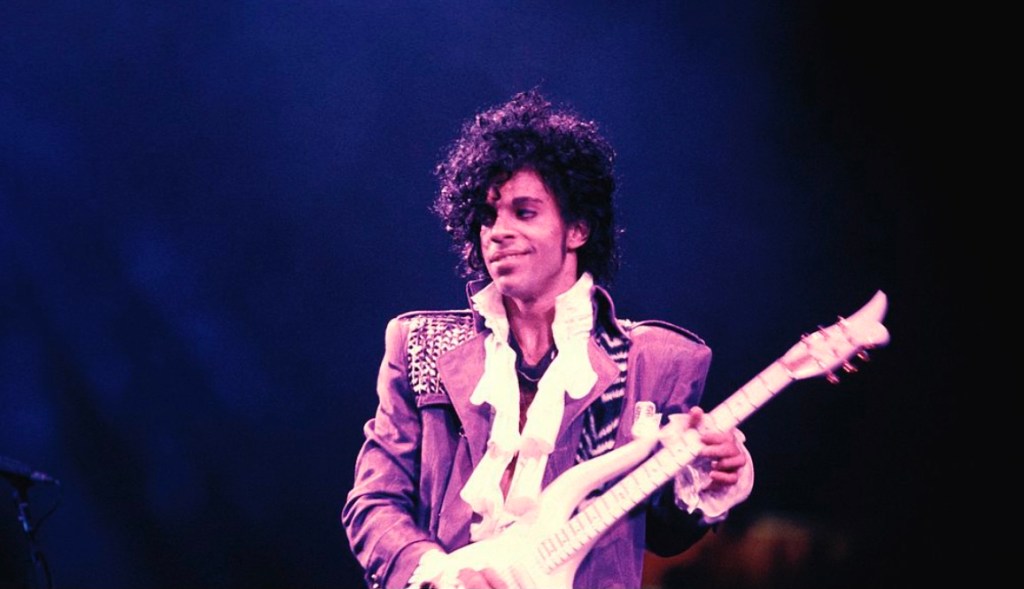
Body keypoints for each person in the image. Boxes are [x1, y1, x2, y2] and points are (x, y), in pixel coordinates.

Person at [342, 89, 755, 589]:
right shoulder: (419, 345)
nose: (497, 232)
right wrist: (441, 574)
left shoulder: (653, 362)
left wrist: (709, 478)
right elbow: (374, 503)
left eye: (525, 212)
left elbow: (664, 532)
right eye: (488, 216)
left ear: (577, 229)